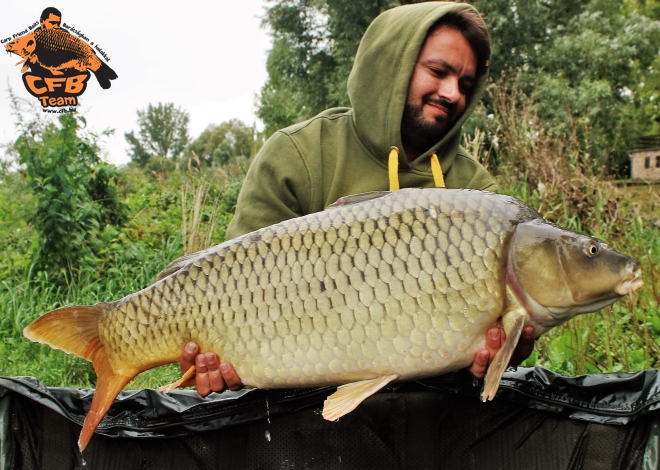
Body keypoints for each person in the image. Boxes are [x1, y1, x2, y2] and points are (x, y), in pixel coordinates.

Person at [179, 2, 535, 397]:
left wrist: (509, 347)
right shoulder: (299, 154)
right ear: (392, 68)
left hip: (433, 412)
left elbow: (504, 335)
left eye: (465, 85)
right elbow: (229, 281)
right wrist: (214, 357)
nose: (452, 93)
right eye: (438, 72)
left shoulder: (478, 194)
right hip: (297, 408)